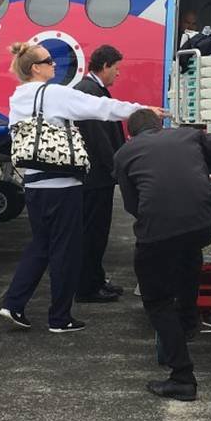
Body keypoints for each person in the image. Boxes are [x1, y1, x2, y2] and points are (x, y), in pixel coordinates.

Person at [0, 42, 161, 334]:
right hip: (62, 185)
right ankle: (60, 318)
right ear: (36, 68)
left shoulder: (17, 98)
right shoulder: (54, 94)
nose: (54, 65)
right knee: (67, 251)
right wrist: (143, 110)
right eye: (49, 61)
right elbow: (102, 108)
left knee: (40, 245)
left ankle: (14, 303)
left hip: (34, 183)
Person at [112, 109, 211, 400]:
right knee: (189, 256)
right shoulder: (190, 135)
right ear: (162, 125)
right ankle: (188, 322)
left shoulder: (124, 153)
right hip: (203, 223)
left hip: (158, 230)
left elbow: (132, 205)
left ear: (130, 134)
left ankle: (182, 377)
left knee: (157, 300)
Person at [73, 44, 127, 303]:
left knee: (97, 232)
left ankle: (95, 278)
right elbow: (98, 139)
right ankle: (87, 288)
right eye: (116, 68)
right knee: (92, 233)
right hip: (94, 178)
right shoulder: (89, 93)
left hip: (96, 177)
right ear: (105, 66)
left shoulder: (93, 90)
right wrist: (117, 167)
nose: (118, 74)